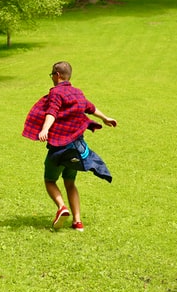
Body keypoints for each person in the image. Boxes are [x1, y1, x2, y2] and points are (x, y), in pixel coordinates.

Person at [22, 61, 117, 231]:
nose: (51, 78)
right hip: (76, 148)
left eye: (52, 74)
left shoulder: (56, 93)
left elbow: (52, 111)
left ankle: (62, 207)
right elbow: (91, 107)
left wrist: (45, 129)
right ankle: (78, 222)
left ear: (57, 75)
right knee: (70, 182)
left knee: (50, 180)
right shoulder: (77, 93)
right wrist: (105, 118)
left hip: (60, 148)